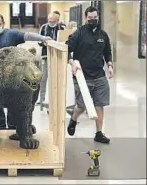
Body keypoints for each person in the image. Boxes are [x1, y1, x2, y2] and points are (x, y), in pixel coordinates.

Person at [0, 13, 52, 136]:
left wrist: (43, 38)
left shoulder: (12, 34)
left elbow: (28, 35)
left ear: (3, 23)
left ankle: (15, 127)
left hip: (15, 74)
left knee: (17, 104)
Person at [66, 6, 114, 144]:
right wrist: (72, 63)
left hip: (99, 75)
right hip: (82, 76)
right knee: (81, 106)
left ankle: (99, 133)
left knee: (100, 104)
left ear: (98, 17)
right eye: (90, 18)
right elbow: (67, 50)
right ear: (86, 18)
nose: (93, 20)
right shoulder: (78, 34)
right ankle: (74, 119)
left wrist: (109, 65)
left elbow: (107, 52)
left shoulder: (103, 35)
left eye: (95, 18)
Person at [38, 12, 65, 105]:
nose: (51, 23)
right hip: (46, 56)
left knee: (57, 78)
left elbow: (65, 41)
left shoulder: (62, 28)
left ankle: (56, 99)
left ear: (57, 20)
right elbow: (39, 41)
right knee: (43, 78)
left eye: (53, 21)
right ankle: (41, 99)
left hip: (58, 57)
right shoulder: (44, 27)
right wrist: (45, 42)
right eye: (49, 21)